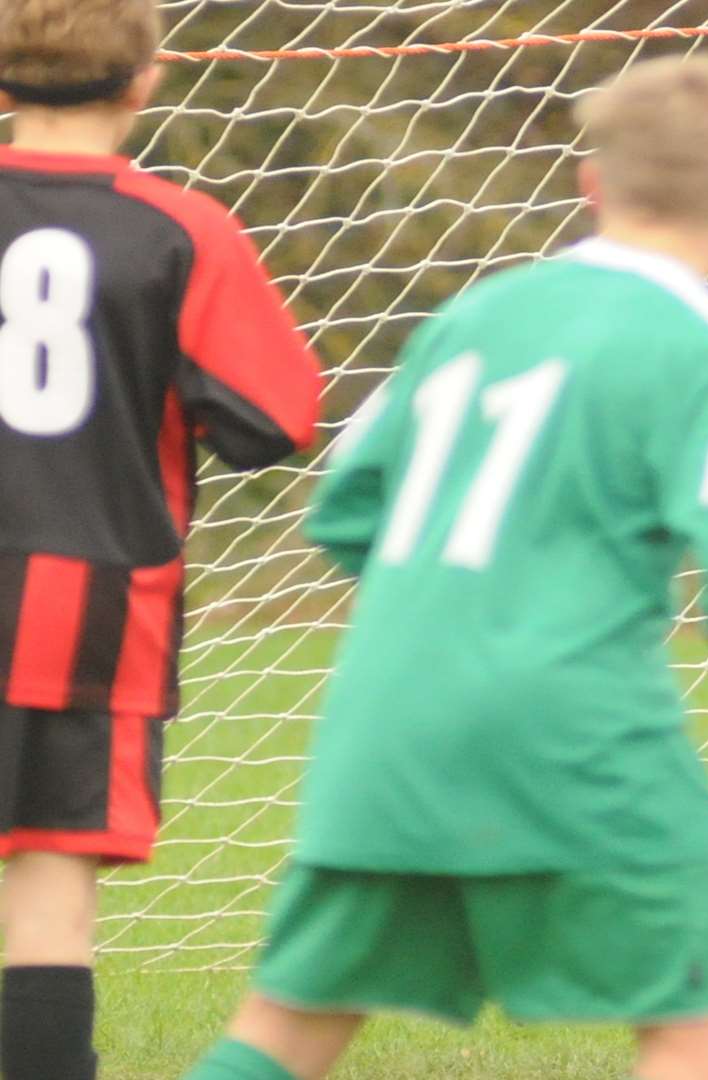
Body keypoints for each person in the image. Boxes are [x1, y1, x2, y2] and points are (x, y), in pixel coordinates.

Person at [182, 57, 708, 1080]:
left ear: (592, 180)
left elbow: (345, 508)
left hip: (388, 723)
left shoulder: (469, 321)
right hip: (573, 728)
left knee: (287, 1031)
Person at [0, 2, 324, 1077]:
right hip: (84, 606)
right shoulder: (181, 228)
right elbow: (272, 419)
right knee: (48, 905)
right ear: (145, 80)